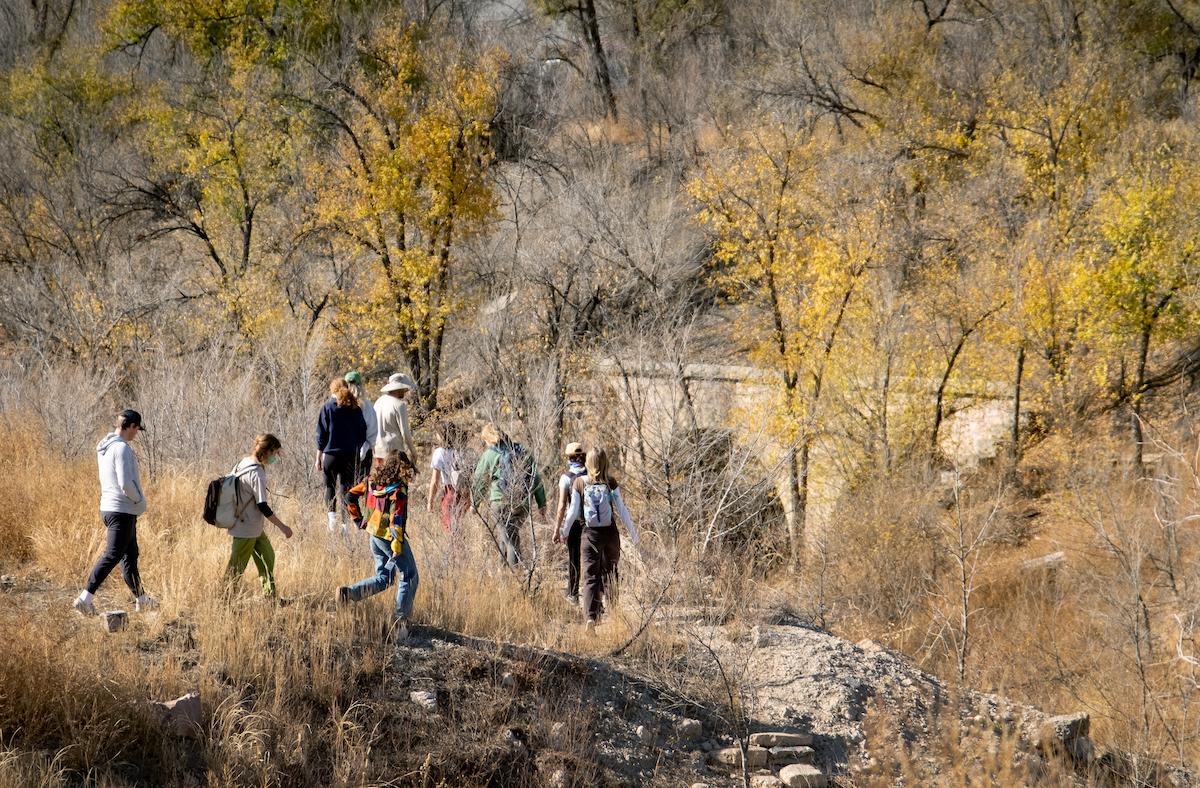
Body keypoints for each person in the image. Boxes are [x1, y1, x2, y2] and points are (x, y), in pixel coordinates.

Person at [74, 409, 156, 616]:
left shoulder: (106, 447)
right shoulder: (121, 449)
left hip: (112, 508)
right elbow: (125, 483)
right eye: (136, 429)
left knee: (130, 555)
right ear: (130, 426)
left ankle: (142, 599)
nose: (136, 433)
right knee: (112, 555)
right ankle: (85, 599)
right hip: (122, 509)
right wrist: (140, 500)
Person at [337, 453, 419, 641]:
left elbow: (349, 496)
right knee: (409, 575)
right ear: (401, 469)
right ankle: (400, 624)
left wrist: (359, 520)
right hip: (390, 538)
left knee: (385, 577)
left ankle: (348, 593)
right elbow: (396, 518)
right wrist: (397, 544)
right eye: (407, 470)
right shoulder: (398, 490)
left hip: (374, 535)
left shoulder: (370, 482)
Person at [560, 447, 639, 626]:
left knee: (590, 577)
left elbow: (572, 512)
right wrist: (634, 535)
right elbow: (622, 510)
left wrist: (564, 532)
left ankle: (590, 618)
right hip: (611, 535)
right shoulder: (610, 482)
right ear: (605, 463)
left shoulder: (579, 482)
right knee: (611, 573)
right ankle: (615, 615)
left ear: (588, 462)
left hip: (590, 536)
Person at [225, 434, 294, 597]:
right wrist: (283, 527)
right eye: (275, 453)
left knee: (267, 557)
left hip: (251, 526)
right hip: (245, 528)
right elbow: (263, 506)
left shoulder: (243, 462)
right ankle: (225, 599)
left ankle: (270, 596)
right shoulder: (257, 473)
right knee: (236, 568)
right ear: (268, 451)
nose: (275, 457)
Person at [471, 423, 547, 569]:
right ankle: (503, 573)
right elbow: (535, 478)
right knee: (506, 535)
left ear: (489, 439)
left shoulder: (490, 455)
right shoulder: (522, 451)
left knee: (510, 539)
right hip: (522, 503)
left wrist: (475, 503)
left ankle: (515, 576)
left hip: (500, 502)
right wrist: (541, 502)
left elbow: (480, 480)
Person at [315, 377, 368, 533]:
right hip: (350, 455)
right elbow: (362, 433)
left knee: (329, 487)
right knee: (346, 489)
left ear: (332, 390)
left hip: (330, 455)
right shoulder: (356, 409)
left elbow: (321, 435)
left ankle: (332, 523)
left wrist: (318, 456)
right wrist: (355, 446)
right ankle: (345, 526)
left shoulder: (327, 408)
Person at [551, 441, 588, 604]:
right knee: (591, 560)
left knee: (574, 559)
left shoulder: (565, 478)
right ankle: (592, 596)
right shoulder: (591, 474)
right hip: (591, 523)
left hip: (574, 524)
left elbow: (562, 506)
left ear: (569, 458)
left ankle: (573, 594)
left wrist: (557, 529)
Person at [426, 421, 468, 533]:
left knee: (450, 530)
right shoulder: (462, 451)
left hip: (450, 492)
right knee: (461, 527)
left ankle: (455, 550)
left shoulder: (440, 453)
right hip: (465, 493)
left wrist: (430, 502)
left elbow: (435, 480)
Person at [374, 372, 419, 468]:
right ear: (399, 388)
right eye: (404, 389)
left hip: (378, 451)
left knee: (382, 481)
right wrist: (413, 452)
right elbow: (405, 432)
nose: (406, 391)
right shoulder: (399, 405)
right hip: (394, 452)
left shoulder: (378, 402)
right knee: (396, 482)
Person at [344, 370, 378, 482]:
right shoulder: (367, 405)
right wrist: (371, 445)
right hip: (364, 451)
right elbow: (372, 429)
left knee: (346, 487)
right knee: (361, 486)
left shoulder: (339, 405)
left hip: (343, 451)